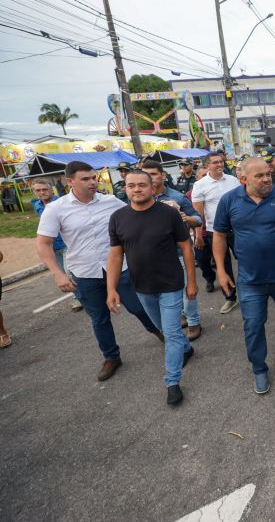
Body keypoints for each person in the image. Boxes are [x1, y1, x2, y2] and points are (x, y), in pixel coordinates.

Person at [36, 161, 162, 382]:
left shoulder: (111, 202)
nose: (93, 182)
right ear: (70, 182)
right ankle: (112, 357)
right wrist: (58, 273)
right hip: (85, 273)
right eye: (86, 179)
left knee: (139, 307)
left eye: (94, 178)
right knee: (99, 318)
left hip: (120, 268)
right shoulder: (55, 209)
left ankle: (165, 337)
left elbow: (134, 220)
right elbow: (43, 243)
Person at [213, 157, 275, 395]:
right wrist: (222, 272)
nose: (267, 178)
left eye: (268, 174)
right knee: (253, 324)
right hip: (249, 279)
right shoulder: (229, 201)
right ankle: (259, 368)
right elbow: (220, 236)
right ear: (244, 179)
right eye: (260, 176)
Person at [106, 170, 197, 406]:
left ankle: (172, 382)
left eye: (142, 185)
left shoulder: (169, 214)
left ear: (152, 188)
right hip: (142, 287)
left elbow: (186, 247)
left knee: (172, 332)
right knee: (167, 331)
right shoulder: (117, 218)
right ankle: (186, 348)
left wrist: (192, 281)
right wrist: (111, 289)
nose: (136, 189)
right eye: (131, 186)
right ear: (125, 189)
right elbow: (115, 256)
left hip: (171, 285)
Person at [141, 161, 204, 341]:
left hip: (179, 252)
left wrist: (185, 217)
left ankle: (194, 321)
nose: (149, 178)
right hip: (154, 257)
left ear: (163, 175)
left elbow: (198, 220)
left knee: (188, 289)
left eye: (153, 174)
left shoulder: (177, 197)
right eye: (146, 174)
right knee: (165, 293)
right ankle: (181, 317)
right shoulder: (139, 199)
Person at [191, 152, 241, 314]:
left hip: (237, 229)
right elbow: (198, 215)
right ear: (207, 166)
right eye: (215, 162)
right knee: (223, 265)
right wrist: (199, 235)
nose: (219, 165)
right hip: (216, 232)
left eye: (221, 162)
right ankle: (230, 298)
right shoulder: (200, 185)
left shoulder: (233, 181)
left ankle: (254, 291)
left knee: (246, 258)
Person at [31, 178, 83, 312]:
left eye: (44, 189)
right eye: (38, 190)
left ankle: (79, 298)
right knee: (63, 273)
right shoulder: (37, 205)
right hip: (53, 247)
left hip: (68, 244)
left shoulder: (62, 203)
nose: (42, 192)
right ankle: (83, 295)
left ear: (51, 189)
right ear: (34, 192)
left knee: (69, 272)